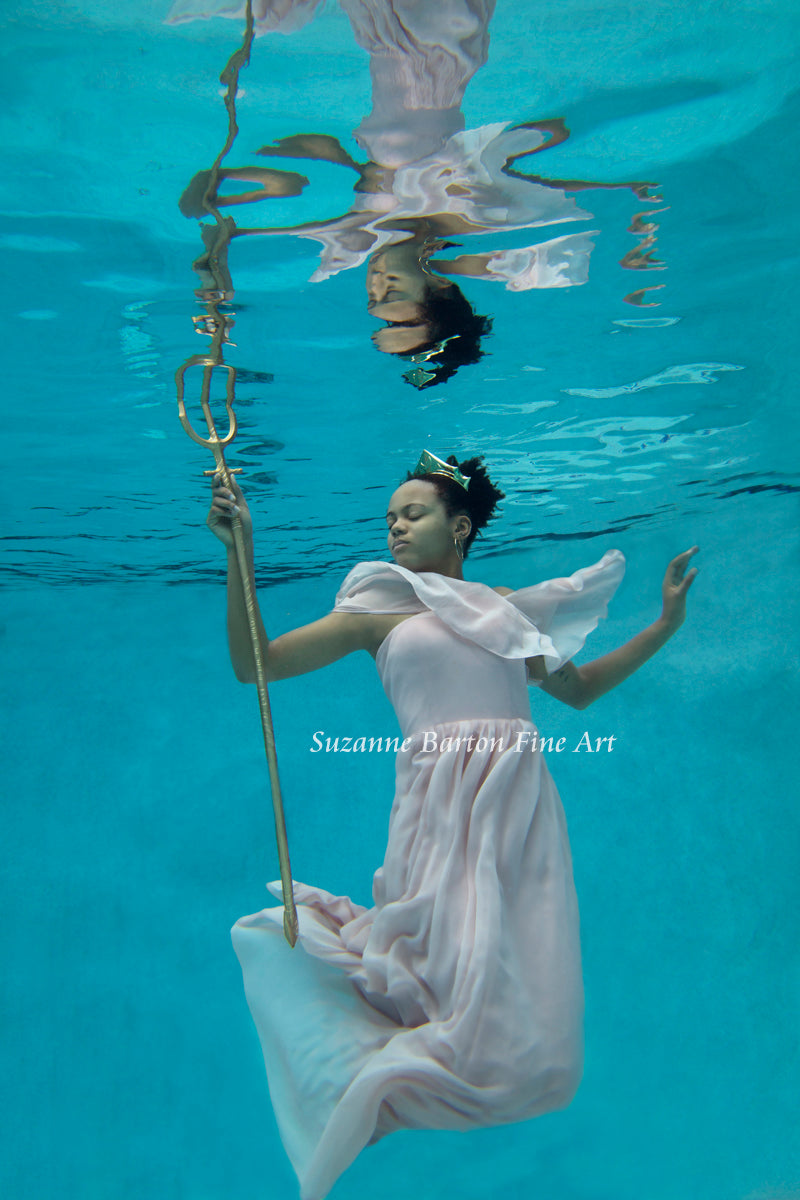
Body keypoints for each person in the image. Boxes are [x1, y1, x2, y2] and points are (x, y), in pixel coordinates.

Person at [207, 451, 698, 1200]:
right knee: (440, 958)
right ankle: (380, 1075)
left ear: (460, 526)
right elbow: (258, 665)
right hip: (437, 807)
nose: (396, 528)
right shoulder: (378, 606)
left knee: (521, 977)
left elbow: (583, 690)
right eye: (391, 518)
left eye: (413, 514)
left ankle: (456, 1071)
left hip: (521, 807)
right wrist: (240, 554)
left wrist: (666, 624)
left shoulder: (505, 610)